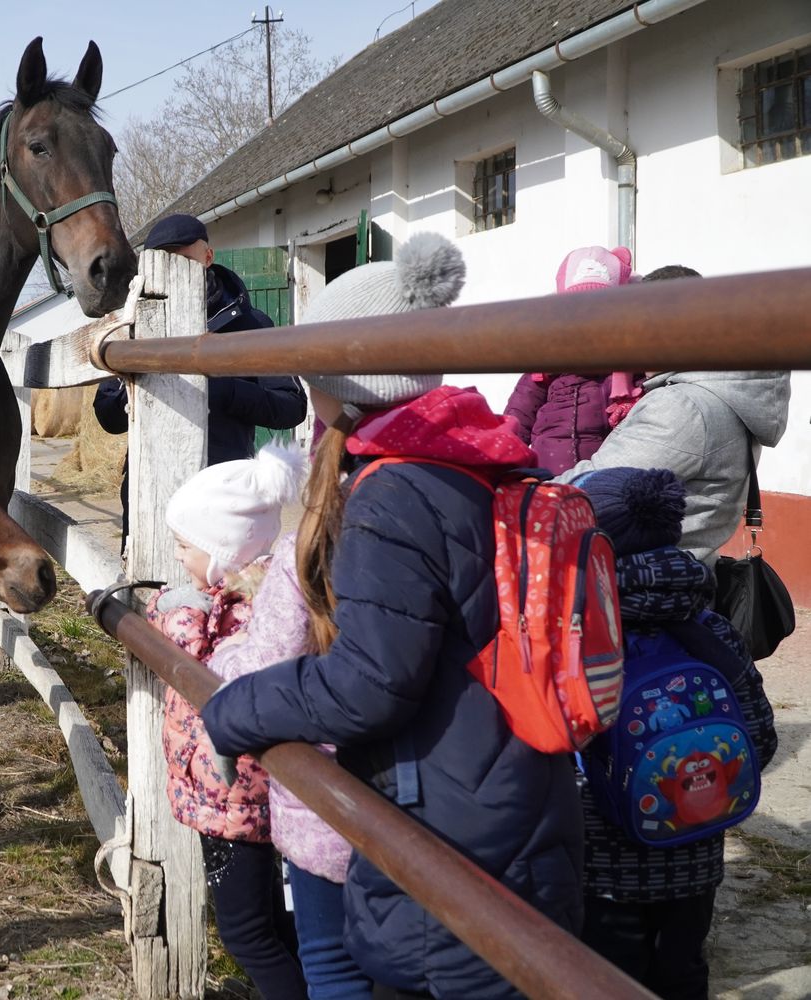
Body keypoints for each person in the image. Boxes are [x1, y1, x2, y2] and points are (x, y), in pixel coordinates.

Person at [200, 232, 585, 1000]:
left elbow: (371, 680)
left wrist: (237, 707)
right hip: (508, 799)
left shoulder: (390, 495)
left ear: (344, 383)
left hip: (448, 824)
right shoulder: (478, 459)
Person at [571, 466, 776, 999]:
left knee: (606, 982)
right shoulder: (709, 629)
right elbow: (760, 740)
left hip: (603, 869)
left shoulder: (580, 636)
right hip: (696, 854)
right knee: (683, 973)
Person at [143, 444, 309, 999]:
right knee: (270, 924)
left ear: (224, 549)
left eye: (186, 546)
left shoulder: (242, 609)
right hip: (228, 797)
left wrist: (175, 609)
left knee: (247, 935)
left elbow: (200, 666)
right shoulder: (235, 595)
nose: (179, 555)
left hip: (235, 799)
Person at [93, 213, 307, 547]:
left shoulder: (252, 325)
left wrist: (224, 390)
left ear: (208, 257)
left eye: (184, 258)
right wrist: (134, 393)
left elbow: (291, 407)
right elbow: (107, 416)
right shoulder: (129, 328)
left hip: (224, 489)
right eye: (164, 260)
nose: (175, 268)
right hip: (148, 490)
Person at [556, 265, 793, 564]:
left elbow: (596, 491)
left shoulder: (684, 406)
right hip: (680, 579)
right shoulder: (723, 394)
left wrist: (523, 495)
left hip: (643, 589)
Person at [502, 245, 642, 475]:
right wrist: (504, 464)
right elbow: (518, 416)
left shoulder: (627, 366)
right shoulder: (547, 361)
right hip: (548, 479)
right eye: (576, 310)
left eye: (600, 310)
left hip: (601, 481)